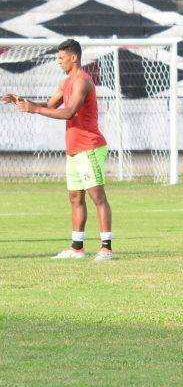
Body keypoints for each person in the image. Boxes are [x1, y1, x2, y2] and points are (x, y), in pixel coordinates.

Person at [2, 38, 114, 260]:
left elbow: (69, 111)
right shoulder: (66, 83)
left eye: (61, 58)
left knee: (97, 197)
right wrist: (23, 102)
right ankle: (77, 248)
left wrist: (33, 110)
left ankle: (106, 248)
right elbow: (51, 105)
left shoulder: (82, 82)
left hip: (89, 147)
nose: (58, 61)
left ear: (74, 58)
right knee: (75, 198)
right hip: (73, 150)